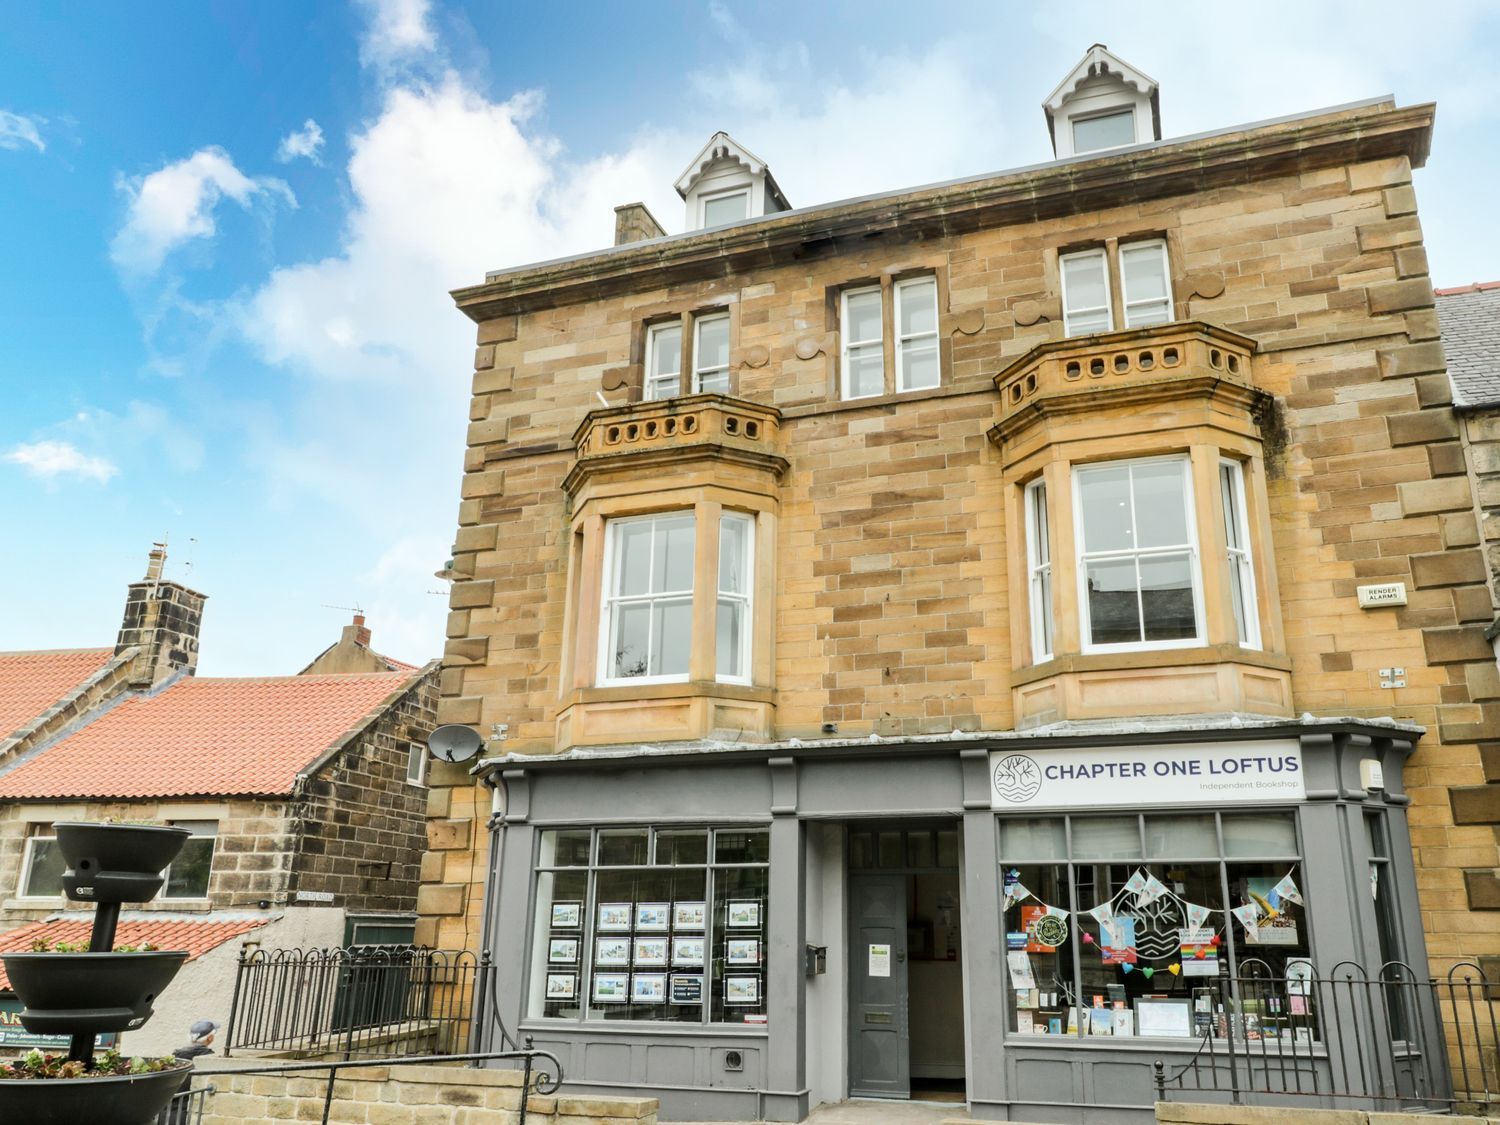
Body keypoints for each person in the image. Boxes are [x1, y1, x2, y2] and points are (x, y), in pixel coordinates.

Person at [166, 1020, 218, 1123]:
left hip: (166, 1112)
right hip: (186, 1114)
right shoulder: (208, 1058)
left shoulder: (176, 1057)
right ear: (210, 1038)